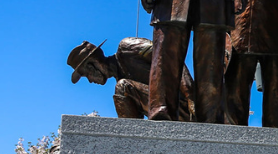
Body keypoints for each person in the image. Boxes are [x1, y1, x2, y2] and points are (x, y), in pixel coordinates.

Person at [67, 38, 195, 120]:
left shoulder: (128, 47)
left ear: (92, 65)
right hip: (168, 115)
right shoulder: (121, 84)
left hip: (181, 106)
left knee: (122, 87)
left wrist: (191, 96)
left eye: (86, 74)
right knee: (121, 89)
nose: (90, 80)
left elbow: (169, 58)